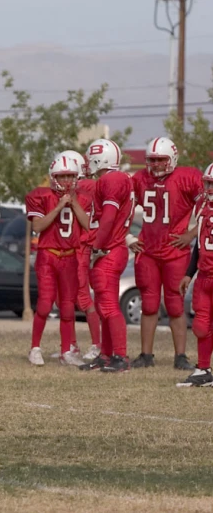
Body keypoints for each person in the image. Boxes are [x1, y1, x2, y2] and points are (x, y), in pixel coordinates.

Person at [128, 137, 199, 370]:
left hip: (175, 252)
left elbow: (209, 209)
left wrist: (191, 235)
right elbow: (120, 209)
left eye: (160, 159)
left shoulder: (187, 178)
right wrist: (128, 237)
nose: (156, 164)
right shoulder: (139, 179)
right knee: (148, 304)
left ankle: (181, 356)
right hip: (147, 251)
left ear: (172, 159)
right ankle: (146, 355)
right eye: (152, 160)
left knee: (175, 305)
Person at [26, 154, 90, 366]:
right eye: (62, 177)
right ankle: (35, 348)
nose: (67, 181)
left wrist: (72, 204)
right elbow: (37, 227)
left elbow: (88, 224)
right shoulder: (41, 196)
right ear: (53, 177)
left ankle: (66, 351)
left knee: (68, 307)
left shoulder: (82, 197)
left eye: (71, 176)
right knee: (44, 304)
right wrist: (58, 206)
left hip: (70, 256)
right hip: (48, 255)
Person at [80, 139, 135, 373]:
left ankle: (120, 357)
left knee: (110, 306)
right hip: (110, 249)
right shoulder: (111, 179)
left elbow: (109, 217)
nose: (87, 162)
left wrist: (97, 245)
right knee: (103, 307)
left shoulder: (112, 179)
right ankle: (106, 355)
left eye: (90, 157)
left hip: (110, 249)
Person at [179, 163, 213, 387]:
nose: (208, 188)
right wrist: (189, 274)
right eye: (208, 183)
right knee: (201, 327)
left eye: (212, 184)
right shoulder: (203, 208)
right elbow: (199, 246)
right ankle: (203, 369)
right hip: (204, 276)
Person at [72, 151, 102, 362]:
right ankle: (70, 345)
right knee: (64, 297)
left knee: (83, 297)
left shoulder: (87, 186)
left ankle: (97, 344)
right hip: (68, 246)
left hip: (81, 246)